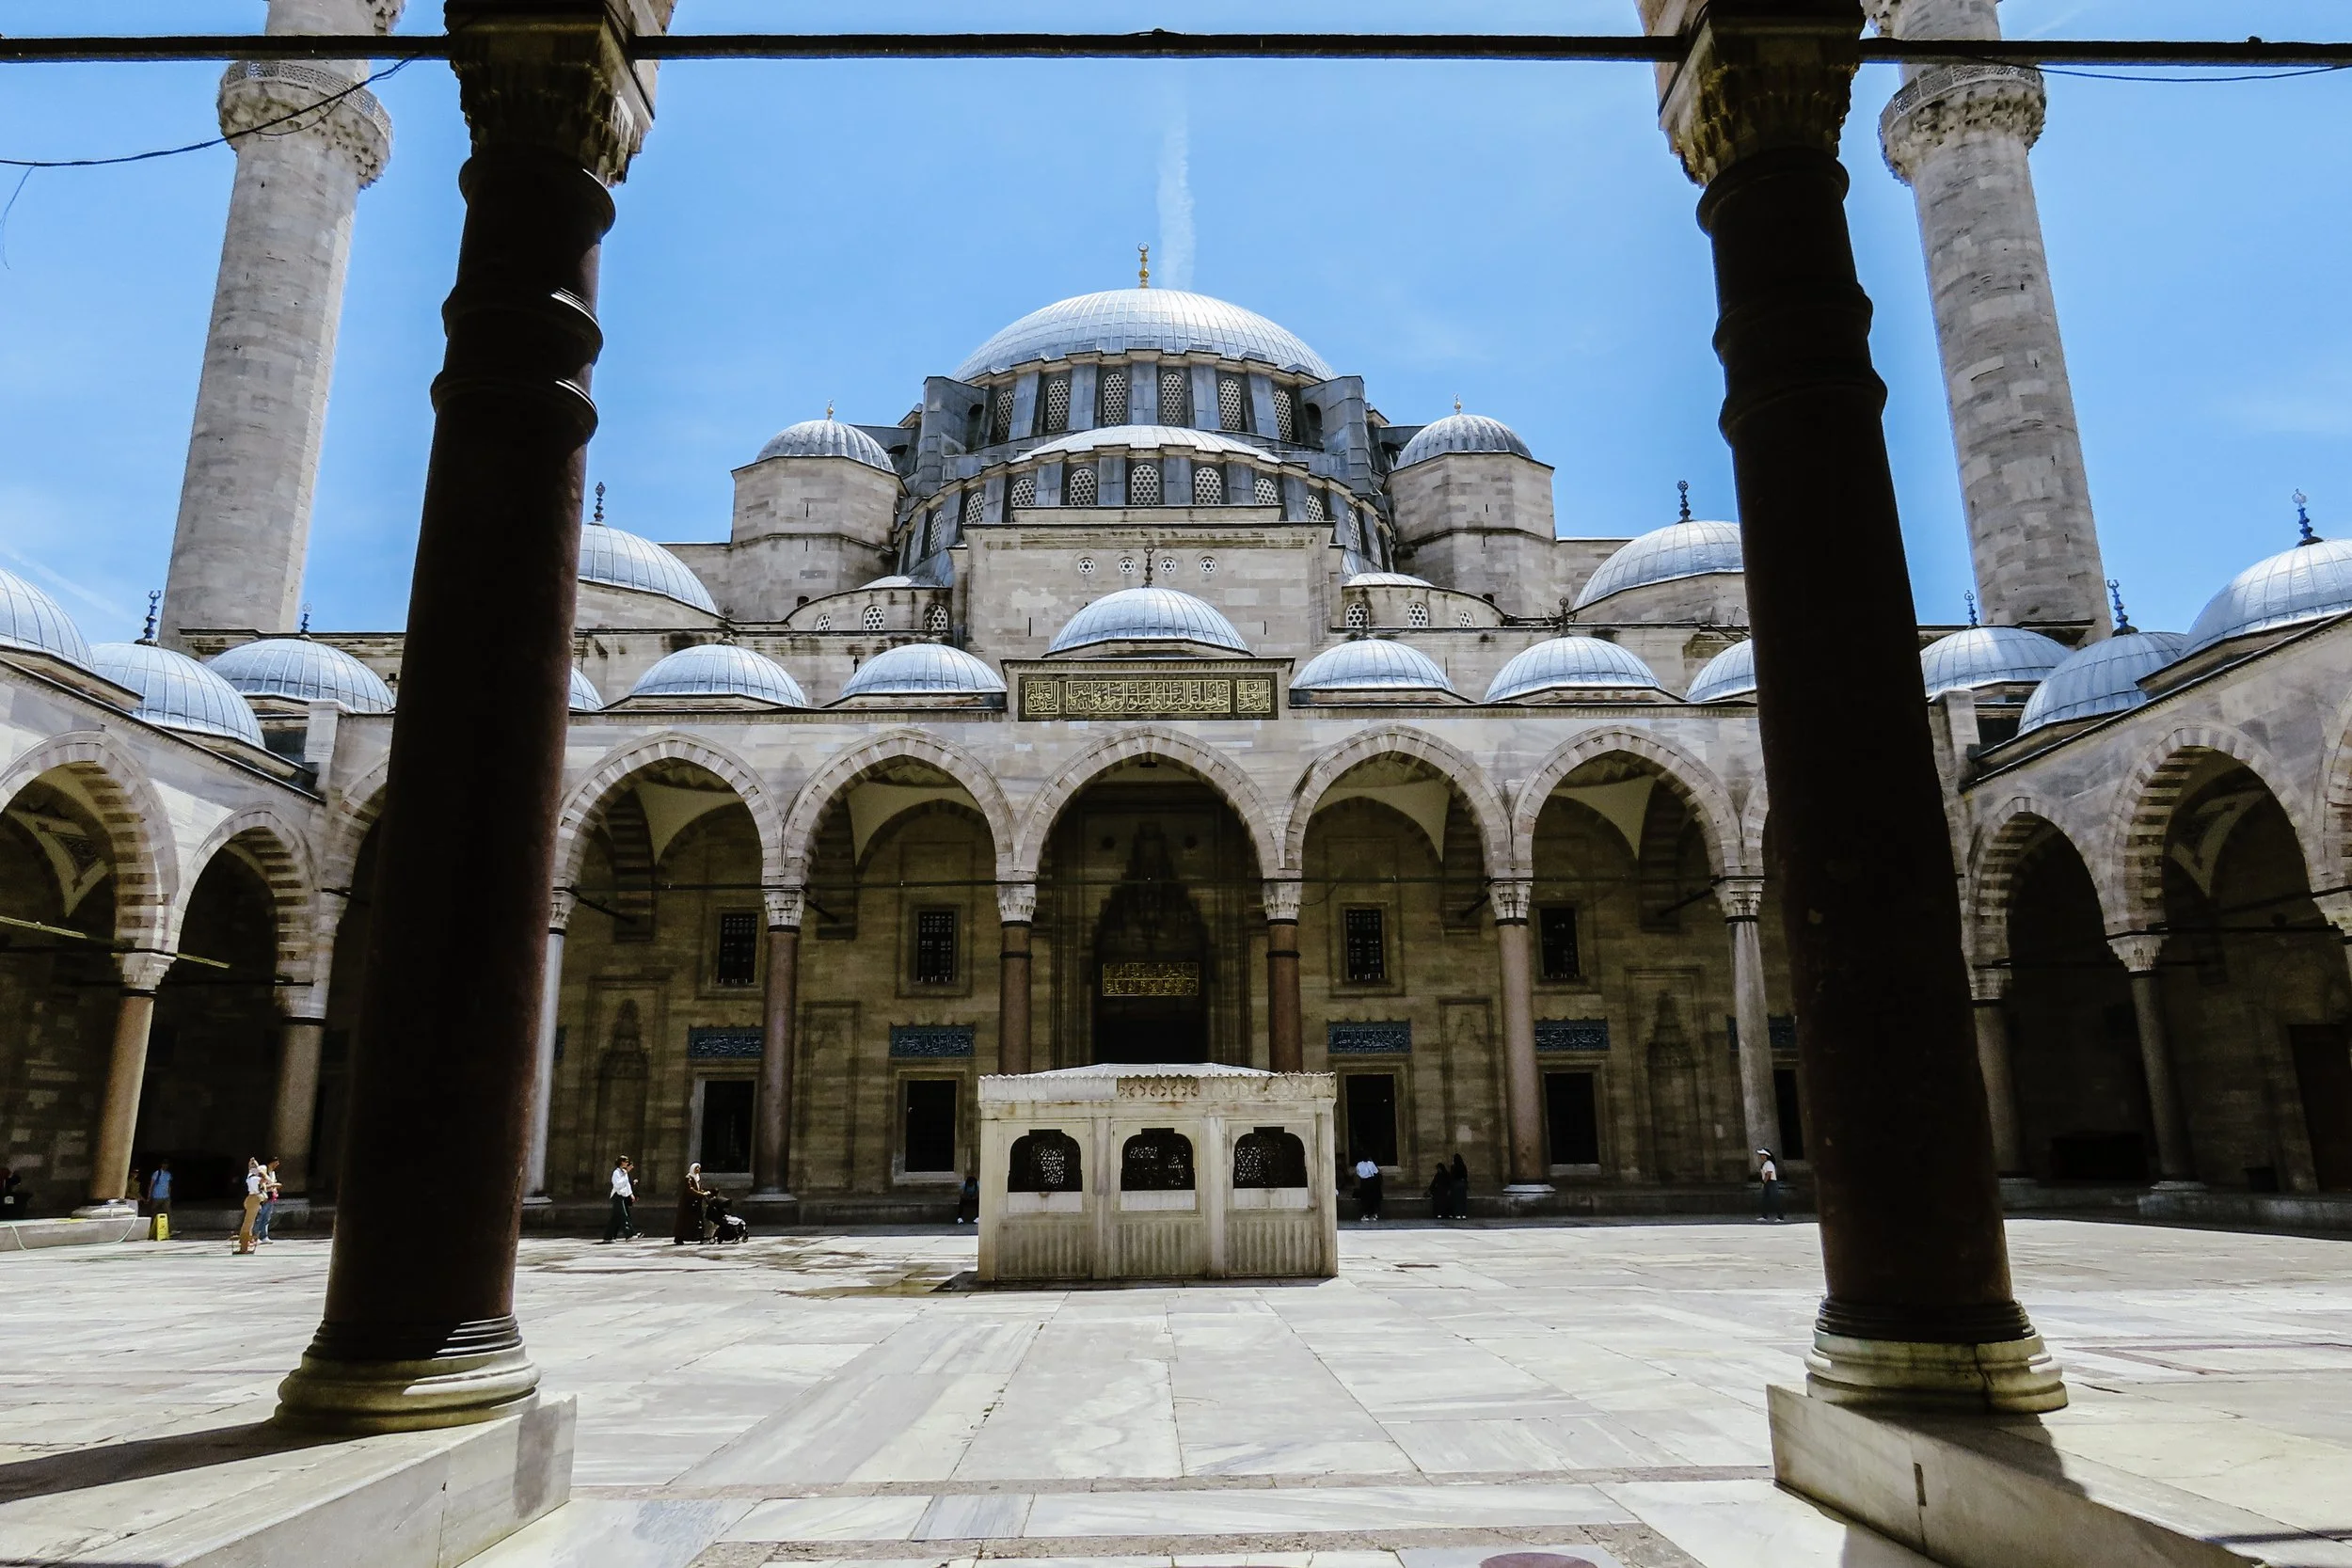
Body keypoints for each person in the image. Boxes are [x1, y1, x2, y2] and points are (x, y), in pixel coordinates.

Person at [674, 1163, 711, 1244]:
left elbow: (698, 1189)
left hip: (695, 1204)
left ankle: (699, 1236)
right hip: (688, 1205)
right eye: (696, 1168)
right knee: (686, 1222)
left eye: (699, 1168)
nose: (698, 1170)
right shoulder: (688, 1178)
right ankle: (679, 1237)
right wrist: (702, 1194)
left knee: (696, 1221)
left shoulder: (697, 1178)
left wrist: (704, 1193)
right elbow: (690, 1190)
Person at [602, 1156, 637, 1243]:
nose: (627, 1163)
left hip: (622, 1196)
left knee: (615, 1218)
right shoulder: (616, 1172)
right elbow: (617, 1184)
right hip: (617, 1196)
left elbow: (627, 1185)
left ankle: (608, 1237)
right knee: (623, 1215)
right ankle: (630, 1234)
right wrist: (625, 1175)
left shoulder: (624, 1172)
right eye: (626, 1161)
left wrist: (631, 1194)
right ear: (621, 1162)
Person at [233, 1158, 262, 1255]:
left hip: (251, 1199)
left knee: (249, 1224)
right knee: (248, 1224)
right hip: (253, 1198)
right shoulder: (255, 1178)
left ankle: (245, 1245)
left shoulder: (250, 1177)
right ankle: (244, 1247)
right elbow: (267, 1181)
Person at [254, 1159, 281, 1244]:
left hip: (271, 1196)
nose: (277, 1164)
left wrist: (275, 1188)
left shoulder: (272, 1173)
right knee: (260, 1216)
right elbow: (262, 1186)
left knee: (266, 1217)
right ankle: (255, 1236)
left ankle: (264, 1236)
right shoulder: (263, 1172)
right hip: (263, 1196)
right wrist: (274, 1185)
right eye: (275, 1163)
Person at [1353, 1153, 1382, 1222]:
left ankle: (1369, 1214)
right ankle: (1370, 1213)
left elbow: (1358, 1173)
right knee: (1369, 1198)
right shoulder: (1368, 1164)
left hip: (1366, 1183)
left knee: (1368, 1198)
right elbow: (1376, 1172)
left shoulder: (1360, 1164)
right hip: (1368, 1182)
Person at [1757, 1148, 1784, 1223]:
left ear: (1766, 1156)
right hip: (1768, 1183)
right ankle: (1764, 1216)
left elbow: (1768, 1174)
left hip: (1771, 1183)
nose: (1761, 1156)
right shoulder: (1765, 1163)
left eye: (1762, 1155)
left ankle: (1780, 1217)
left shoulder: (1769, 1163)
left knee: (1775, 1200)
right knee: (1764, 1200)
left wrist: (1763, 1182)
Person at [147, 1162, 172, 1227]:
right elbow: (151, 1184)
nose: (165, 1166)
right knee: (153, 1212)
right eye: (164, 1164)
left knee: (167, 1213)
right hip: (156, 1196)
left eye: (167, 1164)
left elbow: (169, 1185)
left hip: (166, 1196)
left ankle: (168, 1228)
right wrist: (149, 1195)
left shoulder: (168, 1174)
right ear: (162, 1165)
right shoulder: (157, 1173)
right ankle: (150, 1226)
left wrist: (169, 1195)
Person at [1449, 1151, 1470, 1220]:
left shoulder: (1453, 1167)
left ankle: (1458, 1214)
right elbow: (1465, 1175)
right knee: (1463, 1200)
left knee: (1457, 1200)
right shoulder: (1463, 1166)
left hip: (1456, 1185)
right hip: (1462, 1184)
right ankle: (1463, 1214)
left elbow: (1452, 1176)